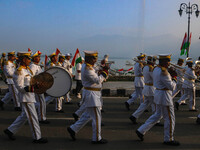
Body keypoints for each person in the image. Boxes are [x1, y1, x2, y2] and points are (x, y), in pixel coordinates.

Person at [136, 54, 180, 146]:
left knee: (157, 115)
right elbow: (172, 87)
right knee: (170, 118)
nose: (169, 63)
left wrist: (170, 73)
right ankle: (169, 139)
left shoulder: (156, 69)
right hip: (165, 96)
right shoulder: (164, 72)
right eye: (168, 61)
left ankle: (141, 130)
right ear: (163, 62)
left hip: (158, 94)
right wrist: (174, 77)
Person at [3, 52, 47, 143]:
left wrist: (37, 85)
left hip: (31, 97)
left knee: (24, 116)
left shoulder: (27, 70)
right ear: (23, 59)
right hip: (26, 98)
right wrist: (32, 88)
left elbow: (31, 82)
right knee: (33, 118)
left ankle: (10, 130)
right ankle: (37, 137)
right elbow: (20, 87)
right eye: (28, 59)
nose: (29, 61)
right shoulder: (19, 71)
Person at [67, 51, 108, 144]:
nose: (95, 60)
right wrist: (105, 72)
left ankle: (73, 129)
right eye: (94, 58)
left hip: (92, 94)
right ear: (89, 59)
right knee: (97, 117)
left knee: (87, 115)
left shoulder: (88, 66)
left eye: (96, 58)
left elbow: (96, 68)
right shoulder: (87, 69)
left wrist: (102, 66)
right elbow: (98, 80)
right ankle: (97, 138)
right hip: (92, 95)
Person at [129, 56, 157, 124]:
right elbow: (154, 78)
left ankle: (134, 116)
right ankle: (156, 120)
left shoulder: (145, 67)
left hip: (147, 87)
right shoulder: (150, 68)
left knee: (144, 104)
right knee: (155, 105)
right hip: (151, 89)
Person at [30, 51, 49, 124]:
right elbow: (32, 78)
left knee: (42, 102)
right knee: (41, 102)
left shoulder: (37, 66)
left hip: (40, 86)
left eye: (39, 57)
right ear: (34, 58)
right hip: (37, 87)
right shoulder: (33, 66)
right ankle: (41, 118)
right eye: (37, 57)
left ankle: (41, 116)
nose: (39, 58)